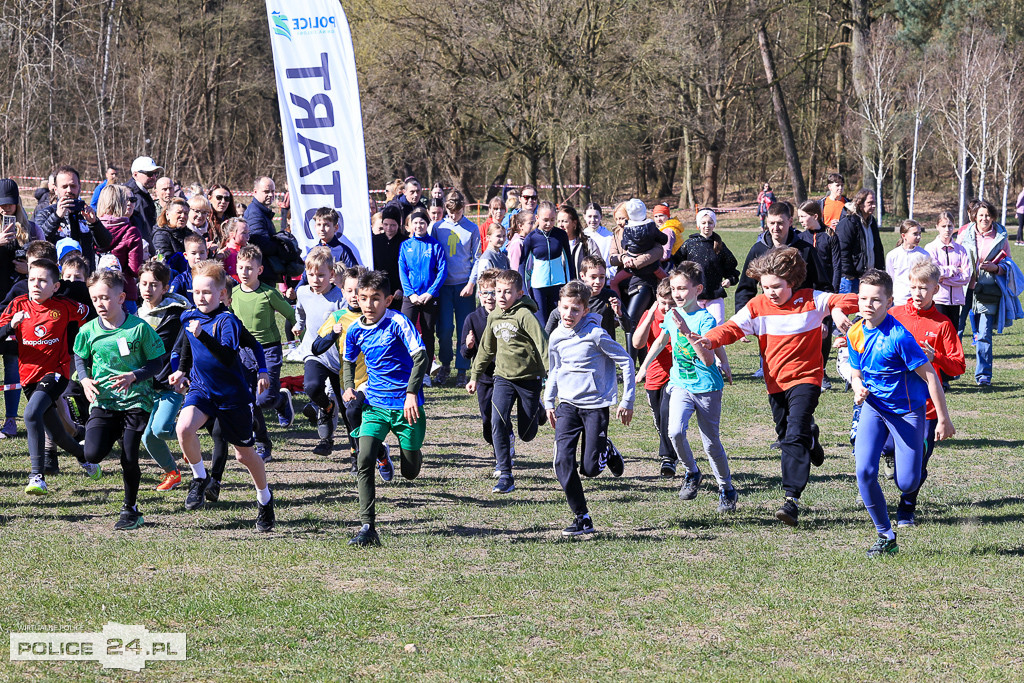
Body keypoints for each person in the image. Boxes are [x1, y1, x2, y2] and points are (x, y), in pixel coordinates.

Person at [695, 247, 858, 526]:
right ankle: (811, 436)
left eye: (777, 287)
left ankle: (791, 499)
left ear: (791, 282)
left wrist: (838, 308)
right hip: (775, 383)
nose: (770, 292)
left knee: (793, 437)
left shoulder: (812, 300)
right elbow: (732, 328)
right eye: (765, 286)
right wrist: (709, 340)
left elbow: (854, 299)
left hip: (806, 379)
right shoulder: (757, 306)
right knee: (787, 435)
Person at [847, 269, 955, 557]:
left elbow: (931, 376)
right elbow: (855, 370)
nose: (868, 305)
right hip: (874, 408)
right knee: (864, 472)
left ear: (889, 301)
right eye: (863, 299)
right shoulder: (855, 331)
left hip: (908, 412)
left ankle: (912, 446)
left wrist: (943, 419)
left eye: (876, 300)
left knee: (907, 482)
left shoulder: (899, 337)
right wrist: (857, 385)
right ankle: (885, 535)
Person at [167, 260, 275, 532]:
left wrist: (203, 336)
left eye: (207, 292)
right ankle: (199, 478)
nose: (200, 297)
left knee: (244, 456)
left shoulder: (227, 322)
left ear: (222, 295)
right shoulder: (188, 317)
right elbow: (187, 346)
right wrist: (181, 371)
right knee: (183, 428)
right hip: (202, 389)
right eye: (196, 292)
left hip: (233, 396)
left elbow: (227, 357)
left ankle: (265, 499)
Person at [636, 262, 737, 512]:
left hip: (707, 387)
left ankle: (727, 489)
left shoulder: (705, 318)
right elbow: (660, 341)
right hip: (680, 383)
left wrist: (689, 332)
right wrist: (643, 367)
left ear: (697, 289)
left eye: (682, 288)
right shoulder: (671, 316)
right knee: (675, 432)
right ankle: (692, 472)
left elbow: (708, 358)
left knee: (711, 443)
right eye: (673, 288)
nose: (677, 294)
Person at [342, 270, 429, 547]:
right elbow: (348, 359)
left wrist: (411, 393)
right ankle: (368, 527)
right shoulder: (356, 328)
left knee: (410, 471)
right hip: (375, 405)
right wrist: (348, 386)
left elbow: (421, 356)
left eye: (376, 299)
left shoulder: (398, 322)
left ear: (388, 300)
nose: (369, 304)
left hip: (407, 408)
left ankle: (409, 455)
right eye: (363, 298)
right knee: (363, 459)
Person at [74, 270, 165, 530]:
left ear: (121, 297)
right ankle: (109, 431)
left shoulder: (139, 328)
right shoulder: (88, 330)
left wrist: (134, 376)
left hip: (137, 401)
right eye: (95, 299)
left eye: (105, 298)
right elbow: (80, 356)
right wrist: (84, 378)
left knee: (128, 456)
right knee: (92, 453)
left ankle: (130, 509)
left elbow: (156, 362)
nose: (100, 304)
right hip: (104, 401)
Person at [545, 281, 635, 536]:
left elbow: (626, 362)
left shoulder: (595, 335)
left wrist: (626, 400)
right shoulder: (556, 336)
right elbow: (555, 369)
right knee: (562, 461)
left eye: (575, 309)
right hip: (567, 406)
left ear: (585, 310)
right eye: (565, 308)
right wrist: (549, 401)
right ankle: (582, 517)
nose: (569, 314)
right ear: (559, 307)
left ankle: (605, 447)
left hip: (595, 406)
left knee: (591, 469)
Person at [0, 259, 94, 494]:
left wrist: (84, 343)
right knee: (58, 433)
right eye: (32, 279)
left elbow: (90, 316)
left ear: (55, 286)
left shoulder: (64, 305)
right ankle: (84, 457)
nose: (36, 284)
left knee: (31, 414)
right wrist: (10, 327)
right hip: (29, 377)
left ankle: (36, 476)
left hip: (56, 372)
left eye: (43, 280)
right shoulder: (17, 305)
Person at [885, 261, 965, 527]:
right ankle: (889, 453)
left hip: (927, 408)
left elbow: (959, 365)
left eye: (924, 288)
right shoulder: (894, 315)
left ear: (936, 289)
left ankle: (906, 510)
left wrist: (937, 357)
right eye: (914, 287)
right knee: (886, 448)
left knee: (916, 463)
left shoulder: (942, 324)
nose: (918, 293)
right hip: (892, 401)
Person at [466, 270, 548, 495]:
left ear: (519, 293)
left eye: (507, 292)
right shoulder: (494, 316)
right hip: (502, 378)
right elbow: (485, 349)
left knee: (526, 434)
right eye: (498, 291)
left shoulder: (525, 315)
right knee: (497, 420)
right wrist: (474, 376)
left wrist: (552, 376)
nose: (501, 296)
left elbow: (543, 344)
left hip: (529, 379)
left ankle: (537, 409)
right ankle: (505, 473)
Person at [231, 244, 298, 443]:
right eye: (241, 267)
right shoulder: (232, 295)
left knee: (264, 399)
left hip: (269, 350)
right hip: (243, 352)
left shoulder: (269, 293)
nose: (245, 272)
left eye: (250, 268)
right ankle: (262, 442)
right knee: (251, 401)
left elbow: (291, 314)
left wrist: (299, 330)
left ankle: (281, 400)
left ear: (259, 270)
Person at [957, 199, 1024, 385]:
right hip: (963, 289)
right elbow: (956, 256)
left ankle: (983, 375)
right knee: (957, 330)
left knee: (984, 334)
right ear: (974, 217)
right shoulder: (964, 233)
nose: (984, 218)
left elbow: (1008, 263)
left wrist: (996, 268)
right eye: (980, 215)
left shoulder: (1001, 237)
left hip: (988, 290)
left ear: (993, 216)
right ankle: (952, 370)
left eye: (987, 215)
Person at [311, 265, 370, 475]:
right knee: (351, 416)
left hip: (374, 379)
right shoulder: (337, 317)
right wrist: (331, 336)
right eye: (350, 291)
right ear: (342, 291)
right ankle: (357, 456)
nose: (355, 296)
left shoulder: (376, 314)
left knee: (370, 419)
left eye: (359, 290)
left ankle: (376, 453)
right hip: (349, 379)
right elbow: (315, 348)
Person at [137, 260, 190, 491]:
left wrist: (185, 373)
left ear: (165, 288)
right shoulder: (135, 315)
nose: (148, 289)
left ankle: (188, 439)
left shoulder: (177, 313)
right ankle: (173, 473)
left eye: (154, 285)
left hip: (171, 383)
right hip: (148, 385)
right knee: (148, 438)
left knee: (159, 430)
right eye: (144, 283)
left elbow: (189, 345)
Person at [292, 246, 347, 455]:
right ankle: (325, 408)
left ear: (331, 274)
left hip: (338, 358)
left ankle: (352, 451)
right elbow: (301, 310)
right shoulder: (303, 292)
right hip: (314, 353)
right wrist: (299, 324)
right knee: (312, 387)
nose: (315, 279)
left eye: (321, 275)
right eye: (311, 274)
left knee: (345, 406)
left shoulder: (339, 297)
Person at [459, 269, 507, 477]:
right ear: (479, 294)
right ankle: (501, 442)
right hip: (484, 377)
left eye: (493, 293)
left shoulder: (506, 315)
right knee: (488, 420)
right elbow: (463, 352)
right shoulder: (472, 318)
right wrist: (469, 345)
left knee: (499, 418)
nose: (490, 297)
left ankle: (501, 459)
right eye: (485, 293)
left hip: (504, 375)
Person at [430, 190, 481, 386]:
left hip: (464, 285)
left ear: (463, 209)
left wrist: (471, 283)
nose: (453, 217)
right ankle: (444, 363)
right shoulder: (438, 227)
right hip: (443, 286)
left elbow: (477, 258)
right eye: (450, 213)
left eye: (457, 213)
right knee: (444, 328)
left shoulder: (472, 228)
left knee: (463, 328)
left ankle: (462, 368)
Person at [632, 279, 676, 476]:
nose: (666, 308)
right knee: (660, 420)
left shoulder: (681, 317)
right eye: (663, 302)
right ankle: (672, 454)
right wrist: (650, 315)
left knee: (668, 413)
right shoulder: (650, 315)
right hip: (654, 376)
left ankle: (668, 459)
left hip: (676, 376)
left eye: (671, 303)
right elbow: (637, 344)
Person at [796, 199, 842, 389]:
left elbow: (837, 266)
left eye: (803, 217)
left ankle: (821, 372)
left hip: (825, 291)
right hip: (806, 292)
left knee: (824, 332)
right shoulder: (799, 238)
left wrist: (833, 293)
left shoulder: (830, 236)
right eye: (798, 217)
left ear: (815, 216)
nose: (800, 221)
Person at [399, 208, 447, 380]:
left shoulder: (435, 245)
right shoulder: (405, 246)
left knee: (427, 334)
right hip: (410, 297)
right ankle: (405, 370)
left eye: (422, 222)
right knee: (405, 332)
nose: (419, 225)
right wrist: (410, 293)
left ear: (427, 224)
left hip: (429, 297)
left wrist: (431, 293)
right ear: (410, 225)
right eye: (416, 222)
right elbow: (402, 270)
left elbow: (442, 271)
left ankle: (425, 373)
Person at [36, 165, 113, 264]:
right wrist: (57, 217)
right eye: (64, 187)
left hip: (84, 275)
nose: (69, 190)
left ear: (79, 187)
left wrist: (95, 224)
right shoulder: (45, 213)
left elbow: (105, 243)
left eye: (73, 186)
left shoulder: (86, 214)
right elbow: (38, 243)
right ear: (55, 189)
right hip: (55, 275)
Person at [545, 255, 633, 340]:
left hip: (603, 350)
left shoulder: (610, 296)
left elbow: (629, 328)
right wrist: (546, 340)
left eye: (601, 277)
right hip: (580, 349)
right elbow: (555, 314)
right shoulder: (576, 296)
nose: (598, 281)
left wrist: (619, 313)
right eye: (593, 277)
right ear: (582, 276)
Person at [675, 209, 739, 324]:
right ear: (698, 225)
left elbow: (731, 267)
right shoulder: (689, 244)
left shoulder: (719, 246)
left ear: (714, 224)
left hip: (714, 294)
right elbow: (676, 265)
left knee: (717, 325)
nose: (707, 226)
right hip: (693, 295)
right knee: (694, 324)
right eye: (703, 223)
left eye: (710, 222)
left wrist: (730, 279)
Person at [95, 184, 144, 314]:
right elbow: (135, 269)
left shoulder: (92, 228)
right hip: (124, 293)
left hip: (96, 293)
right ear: (121, 203)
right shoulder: (131, 231)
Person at [521, 201, 572, 324]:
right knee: (542, 323)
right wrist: (524, 289)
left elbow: (569, 261)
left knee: (558, 321)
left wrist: (571, 284)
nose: (549, 224)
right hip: (538, 286)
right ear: (537, 218)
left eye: (552, 220)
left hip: (559, 284)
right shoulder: (531, 238)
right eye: (545, 220)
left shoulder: (561, 235)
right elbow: (521, 264)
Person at [608, 199, 667, 299]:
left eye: (622, 218)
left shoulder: (647, 231)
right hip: (625, 276)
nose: (619, 222)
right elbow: (612, 258)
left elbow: (658, 251)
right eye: (616, 219)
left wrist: (635, 262)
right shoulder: (616, 235)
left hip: (644, 277)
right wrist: (624, 258)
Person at [925, 211, 970, 329]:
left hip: (955, 301)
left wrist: (943, 279)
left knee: (953, 334)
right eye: (943, 226)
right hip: (938, 299)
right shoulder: (931, 248)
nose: (947, 229)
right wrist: (954, 269)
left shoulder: (961, 250)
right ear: (937, 227)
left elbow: (966, 276)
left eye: (950, 226)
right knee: (939, 334)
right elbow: (934, 273)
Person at [836, 189, 884, 293]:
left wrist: (880, 270)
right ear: (860, 204)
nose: (874, 206)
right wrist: (849, 275)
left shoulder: (872, 222)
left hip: (869, 278)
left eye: (874, 202)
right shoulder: (848, 223)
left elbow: (878, 248)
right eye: (870, 203)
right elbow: (842, 250)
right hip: (850, 280)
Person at [243, 176, 281, 283]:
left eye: (272, 191)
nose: (270, 195)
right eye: (266, 191)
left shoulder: (261, 212)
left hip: (264, 271)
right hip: (261, 275)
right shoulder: (255, 214)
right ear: (255, 192)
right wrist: (281, 246)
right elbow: (261, 245)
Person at [885, 220, 930, 306]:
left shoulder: (924, 255)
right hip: (898, 300)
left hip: (916, 300)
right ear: (903, 235)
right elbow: (891, 278)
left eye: (920, 233)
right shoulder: (892, 255)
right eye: (915, 234)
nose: (918, 237)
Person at [371, 204, 407, 305]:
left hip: (398, 292)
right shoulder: (375, 241)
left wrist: (401, 288)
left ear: (399, 224)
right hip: (379, 288)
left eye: (393, 225)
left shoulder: (405, 242)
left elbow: (409, 268)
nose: (389, 228)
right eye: (386, 224)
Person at [125, 156, 162, 241]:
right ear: (135, 175)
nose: (153, 177)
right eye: (149, 174)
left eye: (155, 173)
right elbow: (143, 230)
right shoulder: (131, 196)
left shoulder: (143, 193)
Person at [559, 204, 600, 280]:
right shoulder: (555, 244)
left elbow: (598, 267)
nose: (560, 225)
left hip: (583, 289)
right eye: (558, 221)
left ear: (574, 223)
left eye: (564, 221)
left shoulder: (587, 243)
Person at [168, 233, 208, 306]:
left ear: (207, 253)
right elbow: (170, 302)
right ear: (186, 255)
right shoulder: (181, 280)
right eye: (193, 253)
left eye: (202, 253)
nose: (198, 257)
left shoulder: (218, 276)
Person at [152, 198, 191, 264]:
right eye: (179, 212)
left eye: (186, 213)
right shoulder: (160, 236)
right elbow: (165, 260)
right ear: (167, 214)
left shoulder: (189, 234)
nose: (183, 216)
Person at [582, 202, 615, 273]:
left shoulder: (610, 236)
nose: (593, 220)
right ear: (584, 217)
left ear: (601, 216)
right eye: (589, 216)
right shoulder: (581, 236)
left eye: (596, 216)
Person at [219, 217, 249, 282]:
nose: (248, 236)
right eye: (244, 233)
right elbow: (234, 277)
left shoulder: (239, 250)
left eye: (248, 232)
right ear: (232, 234)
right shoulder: (230, 253)